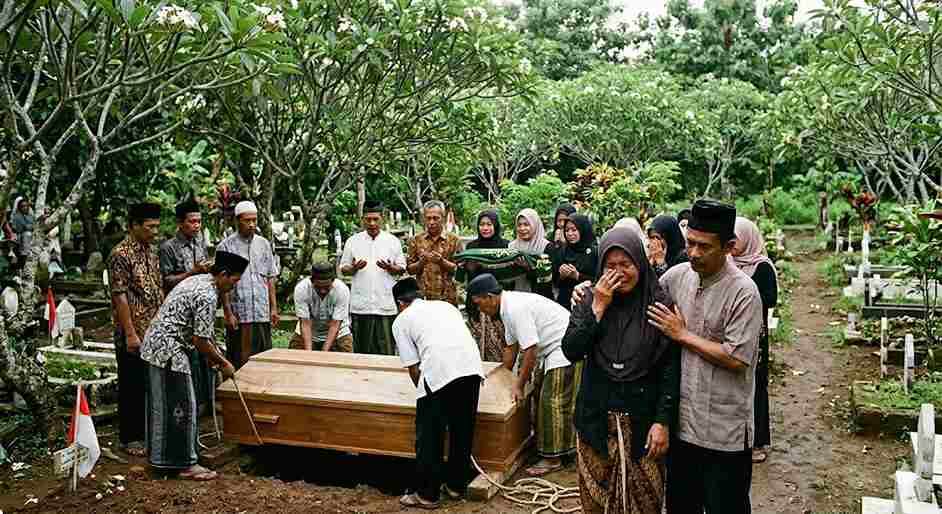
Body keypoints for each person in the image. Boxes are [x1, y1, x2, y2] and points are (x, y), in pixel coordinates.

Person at [646, 199, 763, 514]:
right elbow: (642, 296)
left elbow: (737, 358)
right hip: (683, 425)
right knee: (682, 505)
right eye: (690, 243)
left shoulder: (744, 292)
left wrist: (683, 335)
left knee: (725, 506)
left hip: (723, 430)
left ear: (729, 246)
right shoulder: (678, 276)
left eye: (704, 246)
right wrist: (590, 292)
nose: (694, 253)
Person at [562, 226, 680, 514]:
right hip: (596, 423)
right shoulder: (589, 300)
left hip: (643, 424)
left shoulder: (658, 304)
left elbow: (670, 367)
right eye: (610, 266)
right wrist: (598, 307)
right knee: (596, 502)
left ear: (640, 263)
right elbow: (571, 350)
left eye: (626, 265)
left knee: (645, 502)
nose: (619, 273)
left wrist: (663, 421)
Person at [141, 251, 247, 481]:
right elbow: (201, 340)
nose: (234, 286)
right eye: (234, 281)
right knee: (184, 406)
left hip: (157, 346)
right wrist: (224, 362)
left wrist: (215, 356)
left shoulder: (198, 280)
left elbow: (202, 336)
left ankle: (159, 460)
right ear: (224, 274)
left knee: (162, 406)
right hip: (169, 350)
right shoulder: (208, 294)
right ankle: (185, 464)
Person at [469, 273, 578, 477]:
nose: (479, 309)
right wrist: (501, 377)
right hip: (553, 348)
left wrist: (518, 385)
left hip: (564, 347)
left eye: (479, 303)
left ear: (490, 297)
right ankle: (551, 447)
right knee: (538, 395)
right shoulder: (506, 308)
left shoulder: (515, 308)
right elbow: (511, 348)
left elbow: (530, 349)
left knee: (551, 402)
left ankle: (553, 459)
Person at [392, 277, 485, 509]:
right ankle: (455, 486)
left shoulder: (401, 320)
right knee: (462, 429)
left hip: (440, 371)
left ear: (400, 303)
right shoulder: (446, 306)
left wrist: (423, 393)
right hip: (472, 368)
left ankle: (426, 494)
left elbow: (413, 366)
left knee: (429, 436)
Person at [108, 202, 164, 457]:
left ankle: (147, 431)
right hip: (132, 331)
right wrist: (130, 333)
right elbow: (119, 296)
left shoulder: (151, 252)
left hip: (153, 328)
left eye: (157, 226)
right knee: (131, 384)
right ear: (134, 225)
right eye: (150, 227)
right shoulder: (120, 254)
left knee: (148, 382)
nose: (155, 231)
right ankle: (130, 437)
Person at [731, 217, 778, 464]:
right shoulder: (728, 263)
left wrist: (745, 293)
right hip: (731, 332)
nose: (734, 243)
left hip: (755, 335)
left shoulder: (762, 267)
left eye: (737, 238)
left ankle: (758, 441)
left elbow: (770, 299)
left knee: (757, 386)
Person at [159, 199, 213, 413]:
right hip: (179, 311)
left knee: (203, 354)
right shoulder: (168, 248)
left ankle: (204, 401)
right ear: (180, 223)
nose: (197, 225)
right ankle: (187, 404)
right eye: (192, 221)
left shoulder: (199, 243)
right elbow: (165, 281)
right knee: (185, 358)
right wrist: (193, 272)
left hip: (199, 308)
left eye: (199, 221)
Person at [217, 201, 279, 369]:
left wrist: (273, 308)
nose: (252, 224)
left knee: (263, 358)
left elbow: (270, 277)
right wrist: (228, 313)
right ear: (237, 221)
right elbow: (222, 285)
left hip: (261, 311)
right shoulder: (226, 246)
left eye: (254, 220)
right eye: (247, 220)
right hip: (240, 313)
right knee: (240, 358)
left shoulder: (263, 244)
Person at [341, 200, 405, 355]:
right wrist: (354, 268)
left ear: (382, 218)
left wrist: (390, 268)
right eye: (368, 219)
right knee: (362, 351)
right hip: (361, 306)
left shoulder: (392, 241)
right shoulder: (353, 241)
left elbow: (402, 268)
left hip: (385, 304)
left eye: (375, 219)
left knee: (386, 349)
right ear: (362, 219)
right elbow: (344, 269)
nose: (371, 223)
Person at [464, 209, 510, 362]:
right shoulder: (472, 247)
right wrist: (470, 268)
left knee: (498, 347)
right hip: (476, 303)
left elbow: (509, 275)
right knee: (476, 348)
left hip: (496, 303)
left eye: (489, 224)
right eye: (482, 224)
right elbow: (468, 278)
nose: (485, 228)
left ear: (496, 226)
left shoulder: (506, 246)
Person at [407, 200, 463, 305]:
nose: (431, 222)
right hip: (423, 298)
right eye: (428, 218)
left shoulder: (454, 240)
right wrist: (421, 262)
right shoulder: (416, 240)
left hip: (447, 298)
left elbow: (460, 271)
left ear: (443, 218)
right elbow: (410, 270)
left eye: (435, 218)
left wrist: (442, 261)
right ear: (424, 219)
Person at [292, 261, 353, 352]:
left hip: (339, 333)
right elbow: (305, 323)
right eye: (318, 287)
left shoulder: (342, 290)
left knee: (347, 361)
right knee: (295, 359)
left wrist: (324, 353)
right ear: (311, 281)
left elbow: (335, 324)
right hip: (308, 332)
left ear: (333, 281)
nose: (323, 291)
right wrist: (308, 353)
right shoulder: (301, 289)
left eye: (326, 287)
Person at [553, 214, 597, 310]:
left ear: (582, 230)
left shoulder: (594, 252)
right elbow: (555, 281)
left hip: (585, 303)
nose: (570, 234)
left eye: (574, 230)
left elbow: (598, 280)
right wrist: (561, 275)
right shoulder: (563, 250)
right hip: (564, 303)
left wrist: (577, 276)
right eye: (567, 230)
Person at [509, 208, 553, 297]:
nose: (522, 228)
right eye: (519, 225)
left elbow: (548, 278)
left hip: (540, 297)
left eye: (526, 224)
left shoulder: (546, 247)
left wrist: (528, 267)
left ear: (535, 225)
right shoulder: (512, 247)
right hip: (517, 296)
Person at [11, 197, 33, 264]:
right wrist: (28, 226)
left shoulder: (30, 216)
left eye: (26, 206)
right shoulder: (17, 216)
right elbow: (20, 228)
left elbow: (33, 226)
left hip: (31, 238)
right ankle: (25, 254)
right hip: (21, 238)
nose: (25, 208)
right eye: (23, 206)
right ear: (19, 207)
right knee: (27, 234)